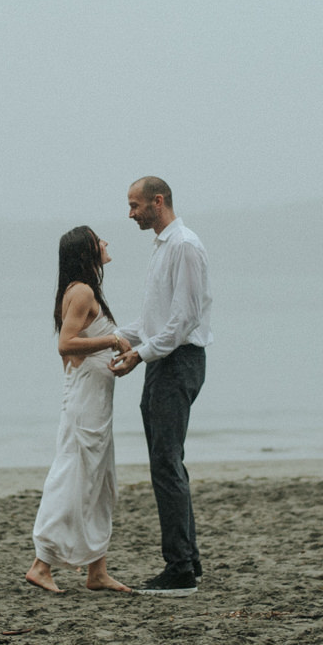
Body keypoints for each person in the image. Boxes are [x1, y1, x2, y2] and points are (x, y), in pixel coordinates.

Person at [109, 176, 212, 596]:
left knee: (166, 464)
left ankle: (180, 569)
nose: (130, 213)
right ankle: (189, 559)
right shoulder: (163, 248)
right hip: (161, 360)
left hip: (177, 361)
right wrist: (116, 337)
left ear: (158, 201)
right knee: (167, 462)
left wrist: (140, 353)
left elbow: (183, 319)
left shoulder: (184, 246)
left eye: (135, 205)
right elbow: (155, 321)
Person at [26, 226, 135, 594]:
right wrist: (113, 340)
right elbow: (66, 344)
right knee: (72, 479)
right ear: (86, 251)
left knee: (101, 483)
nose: (106, 244)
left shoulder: (86, 292)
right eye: (99, 240)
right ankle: (42, 564)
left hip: (98, 402)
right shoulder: (82, 291)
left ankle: (97, 570)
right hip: (84, 403)